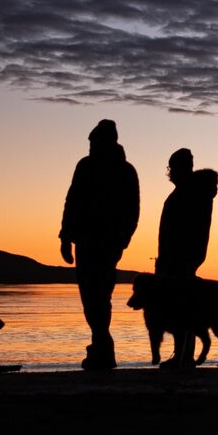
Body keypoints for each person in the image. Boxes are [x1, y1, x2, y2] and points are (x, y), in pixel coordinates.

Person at [59, 119, 140, 371]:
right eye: (90, 142)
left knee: (100, 296)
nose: (91, 146)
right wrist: (65, 238)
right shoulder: (84, 166)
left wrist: (121, 239)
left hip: (107, 243)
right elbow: (71, 202)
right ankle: (100, 346)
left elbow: (132, 210)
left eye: (95, 142)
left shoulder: (125, 171)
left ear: (107, 142)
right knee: (90, 296)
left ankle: (102, 349)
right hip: (85, 241)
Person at [156, 151, 217, 278]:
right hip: (181, 263)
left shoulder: (187, 194)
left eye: (171, 168)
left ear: (179, 168)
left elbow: (177, 232)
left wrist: (166, 263)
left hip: (176, 265)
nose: (169, 172)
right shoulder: (193, 191)